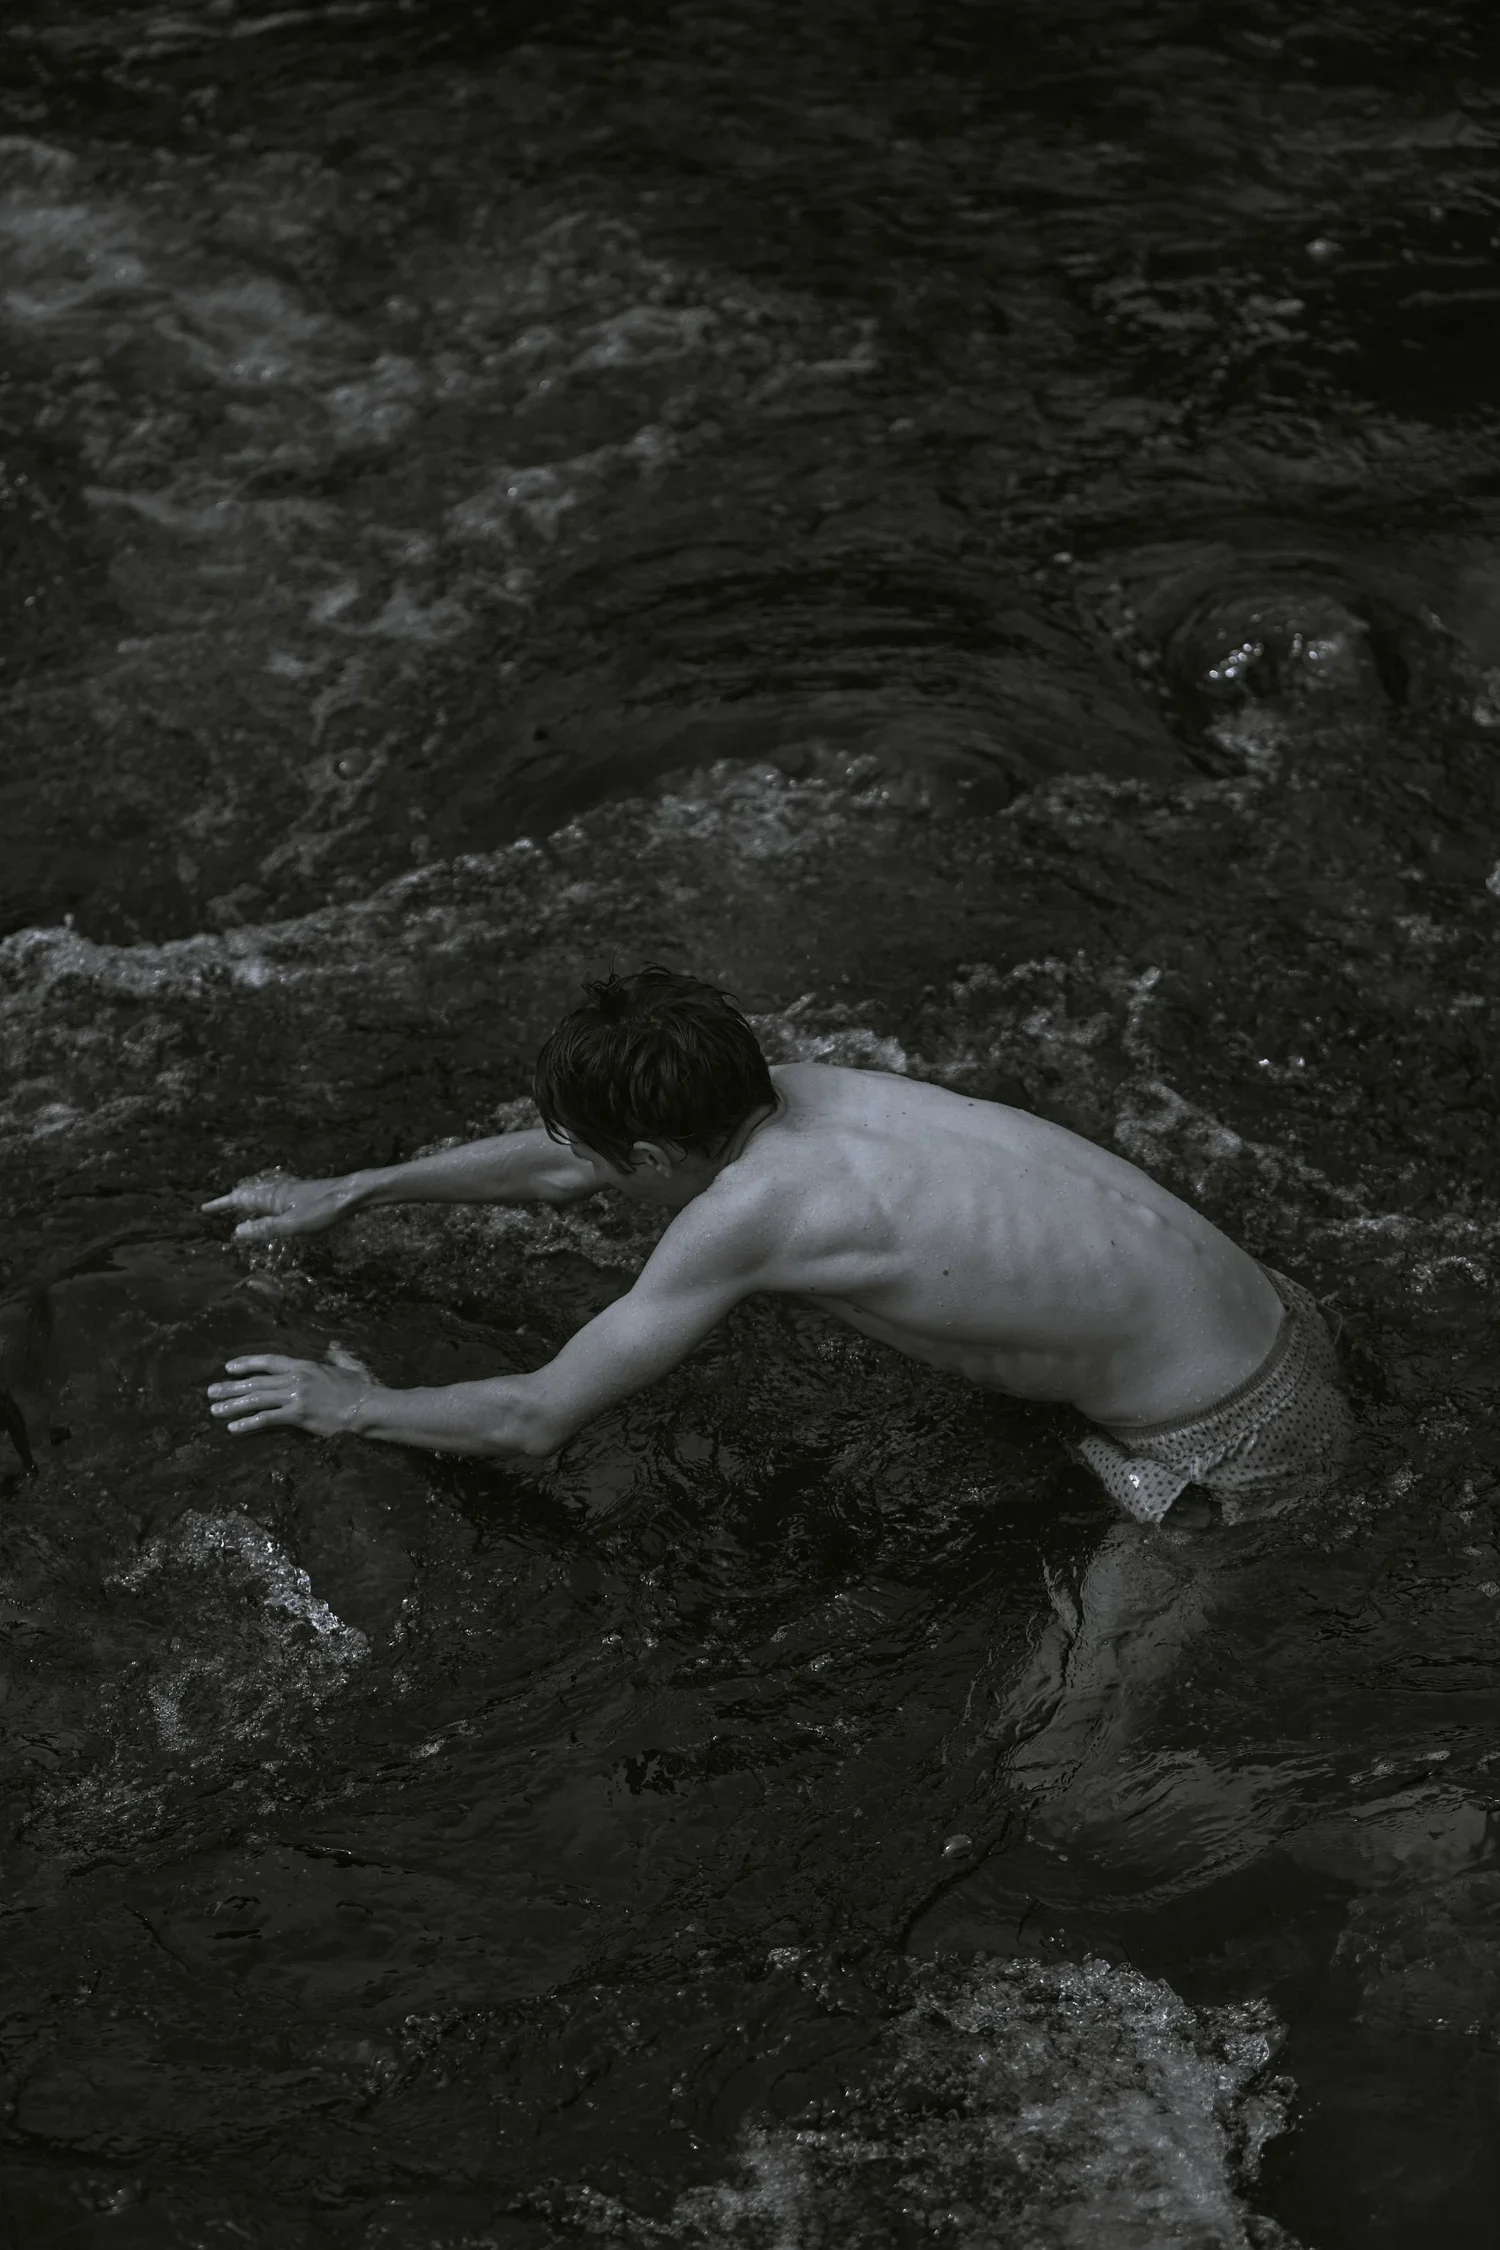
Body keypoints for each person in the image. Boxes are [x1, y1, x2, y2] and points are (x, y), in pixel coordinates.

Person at [204, 965, 1352, 1522]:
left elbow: (534, 1420)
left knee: (1070, 1778)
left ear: (654, 1157)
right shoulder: (797, 1087)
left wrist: (348, 1405)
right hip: (1276, 1311)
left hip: (1232, 1435)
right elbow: (563, 1163)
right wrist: (359, 1188)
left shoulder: (752, 1217)